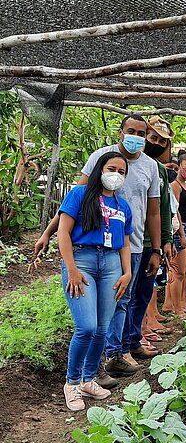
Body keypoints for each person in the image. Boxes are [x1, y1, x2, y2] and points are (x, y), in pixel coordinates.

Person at [35, 114, 162, 383]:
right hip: (88, 251)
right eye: (131, 131)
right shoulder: (101, 157)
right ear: (120, 132)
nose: (136, 137)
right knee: (91, 321)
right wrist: (49, 232)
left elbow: (153, 211)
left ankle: (111, 358)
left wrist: (158, 247)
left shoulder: (150, 167)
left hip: (129, 244)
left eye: (141, 133)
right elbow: (72, 204)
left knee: (122, 302)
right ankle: (106, 360)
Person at [57, 152, 132, 411]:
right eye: (112, 168)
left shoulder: (123, 207)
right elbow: (63, 232)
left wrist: (127, 272)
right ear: (100, 169)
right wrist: (72, 269)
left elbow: (125, 243)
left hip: (112, 265)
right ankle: (72, 382)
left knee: (102, 328)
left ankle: (89, 379)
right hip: (82, 260)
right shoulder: (79, 195)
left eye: (122, 172)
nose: (116, 175)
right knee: (86, 327)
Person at [122, 116, 175, 360]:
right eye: (152, 137)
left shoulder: (159, 170)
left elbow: (162, 209)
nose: (155, 143)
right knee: (125, 295)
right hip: (124, 241)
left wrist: (165, 240)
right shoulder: (116, 163)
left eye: (161, 141)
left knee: (143, 292)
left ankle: (133, 340)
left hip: (148, 243)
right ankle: (120, 346)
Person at [164, 154, 186, 316]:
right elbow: (174, 210)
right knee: (178, 271)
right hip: (180, 229)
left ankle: (175, 302)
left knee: (183, 269)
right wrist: (182, 234)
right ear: (180, 164)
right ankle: (176, 307)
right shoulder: (175, 185)